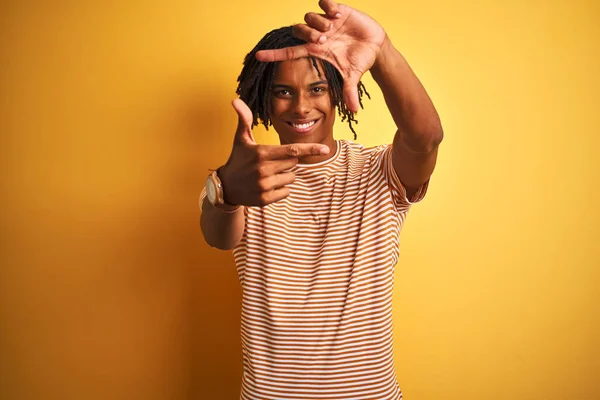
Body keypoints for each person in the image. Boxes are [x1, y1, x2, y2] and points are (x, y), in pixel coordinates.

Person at [199, 0, 443, 398]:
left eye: (317, 89)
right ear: (263, 99)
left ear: (338, 92)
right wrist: (225, 192)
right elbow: (218, 236)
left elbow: (426, 137)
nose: (300, 107)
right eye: (282, 92)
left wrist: (382, 52)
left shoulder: (378, 170)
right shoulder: (246, 176)